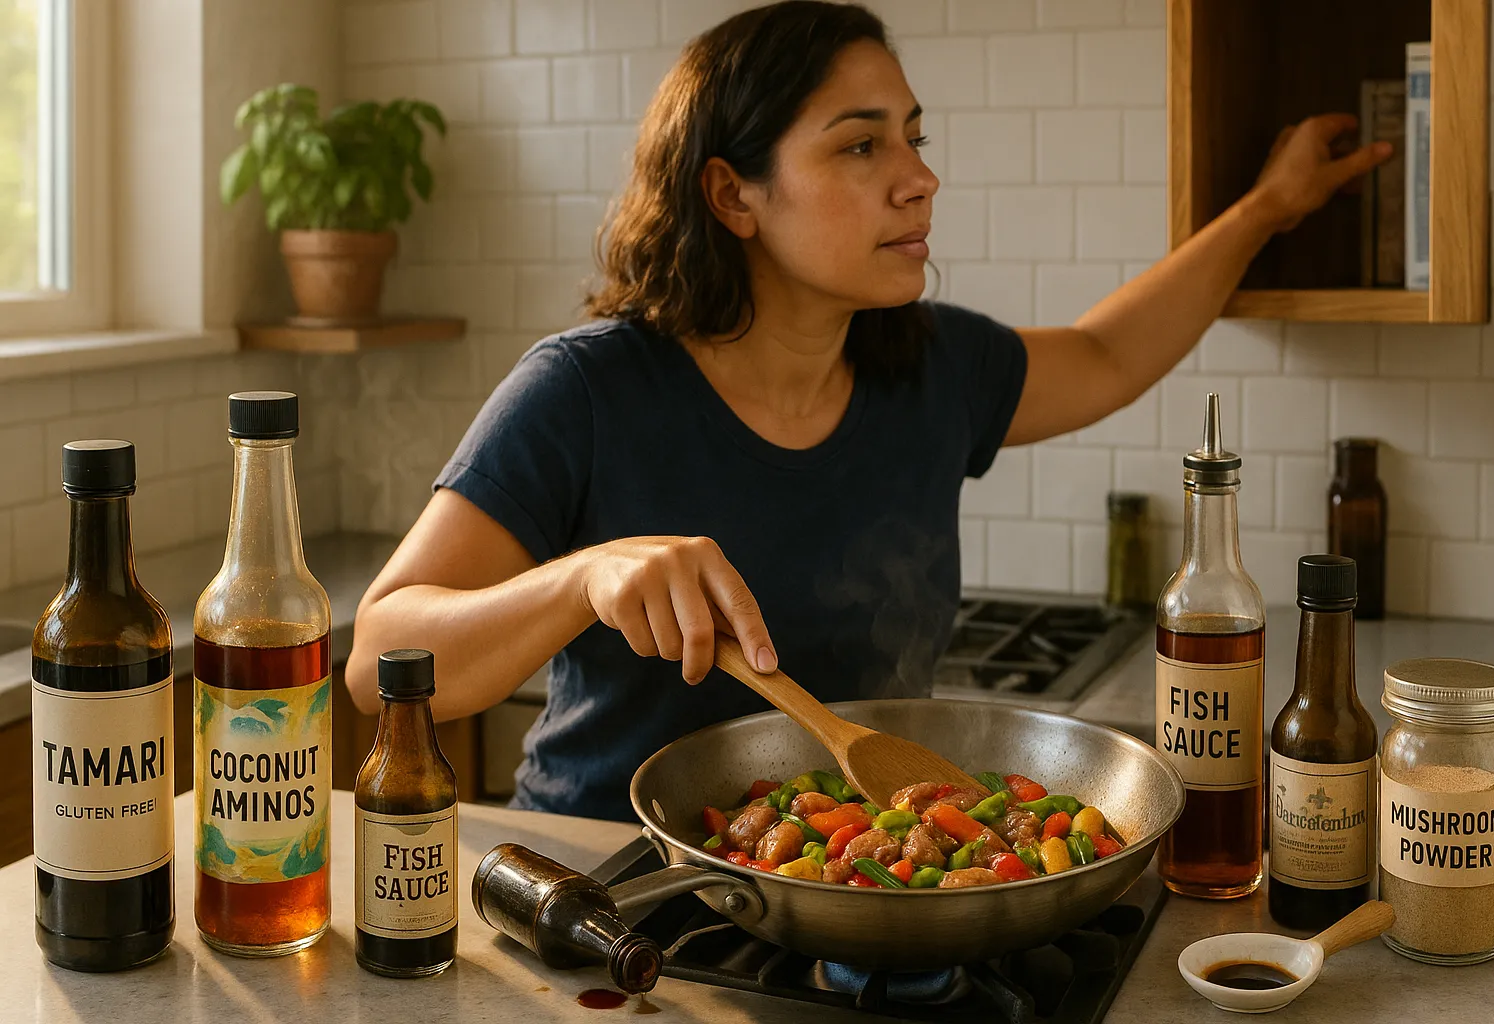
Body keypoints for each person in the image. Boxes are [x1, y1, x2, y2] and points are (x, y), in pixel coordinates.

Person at [346, 1, 1390, 820]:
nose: (920, 179)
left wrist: (1269, 208)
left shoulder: (931, 370)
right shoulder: (585, 390)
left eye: (914, 138)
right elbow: (378, 658)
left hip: (857, 875)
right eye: (861, 146)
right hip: (601, 879)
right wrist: (583, 577)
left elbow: (1111, 353)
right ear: (733, 195)